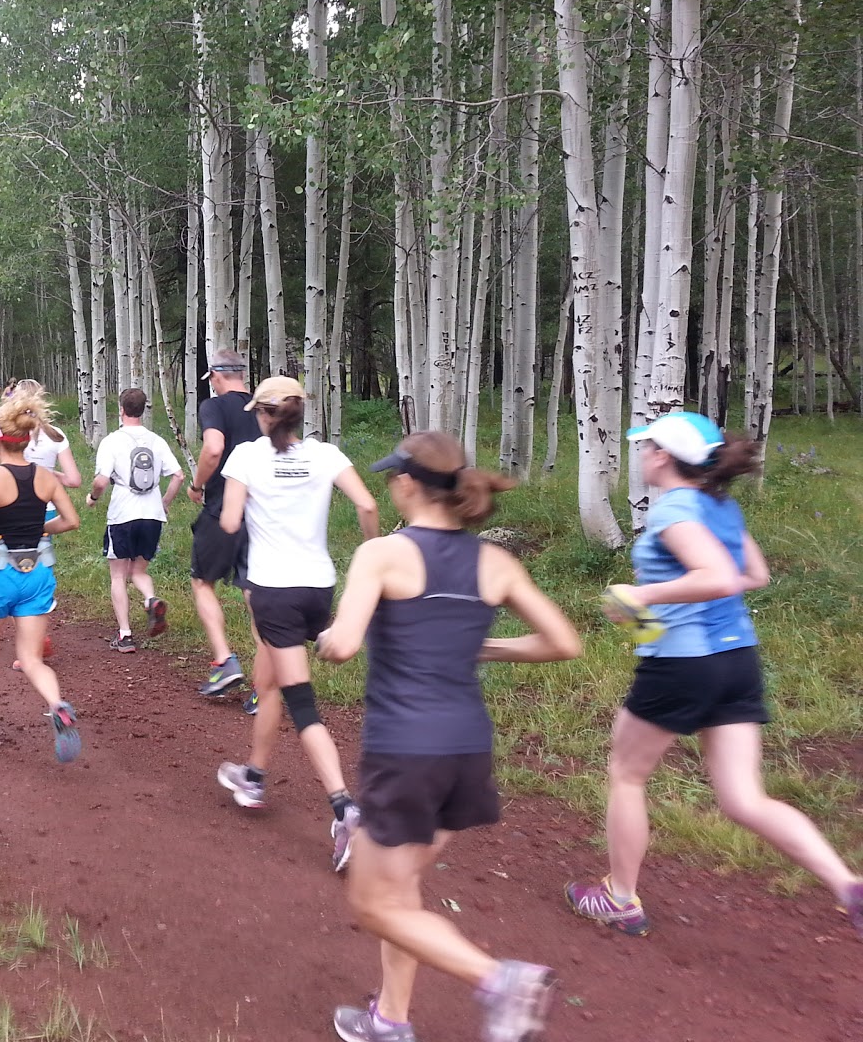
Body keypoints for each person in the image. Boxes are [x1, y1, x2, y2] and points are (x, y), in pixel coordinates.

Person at [319, 431, 582, 1042]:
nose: (390, 485)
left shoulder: (382, 554)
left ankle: (497, 979)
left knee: (372, 904)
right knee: (403, 887)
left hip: (406, 751)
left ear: (408, 485)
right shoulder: (496, 562)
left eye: (392, 477)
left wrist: (328, 638)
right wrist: (482, 645)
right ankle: (390, 1020)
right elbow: (563, 642)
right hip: (466, 749)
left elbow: (344, 645)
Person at [565, 411, 863, 941]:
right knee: (744, 798)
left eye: (646, 446)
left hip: (683, 664)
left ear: (662, 456)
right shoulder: (719, 506)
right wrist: (679, 594)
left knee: (627, 774)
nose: (641, 455)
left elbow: (720, 576)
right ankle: (848, 885)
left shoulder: (674, 510)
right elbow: (754, 574)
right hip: (735, 659)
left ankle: (619, 898)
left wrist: (645, 595)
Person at [212, 375, 379, 874]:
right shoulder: (326, 455)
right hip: (319, 589)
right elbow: (368, 505)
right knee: (269, 684)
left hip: (274, 593)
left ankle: (345, 807)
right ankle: (255, 775)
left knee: (303, 705)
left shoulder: (246, 458)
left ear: (263, 414)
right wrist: (372, 555)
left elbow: (228, 523)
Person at [0, 388, 83, 759]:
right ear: (29, 437)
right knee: (33, 658)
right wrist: (40, 529)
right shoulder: (45, 477)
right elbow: (71, 521)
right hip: (37, 572)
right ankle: (57, 705)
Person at [0, 379, 80, 668]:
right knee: (39, 575)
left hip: (10, 509)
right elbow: (75, 480)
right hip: (48, 511)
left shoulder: (3, 429)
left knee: (12, 573)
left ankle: (29, 647)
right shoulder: (56, 435)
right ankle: (40, 636)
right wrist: (49, 475)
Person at [187, 349, 262, 702]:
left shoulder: (214, 406)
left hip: (222, 509)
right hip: (263, 514)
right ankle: (266, 685)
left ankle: (225, 660)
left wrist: (198, 484)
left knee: (203, 582)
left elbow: (213, 449)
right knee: (255, 595)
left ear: (216, 376)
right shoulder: (263, 407)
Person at [85, 388, 184, 653]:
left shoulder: (112, 441)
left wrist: (93, 497)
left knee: (118, 575)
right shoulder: (156, 440)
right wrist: (164, 503)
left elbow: (101, 480)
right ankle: (151, 600)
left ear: (121, 410)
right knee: (138, 570)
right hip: (152, 515)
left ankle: (125, 635)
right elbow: (178, 475)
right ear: (143, 409)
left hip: (122, 515)